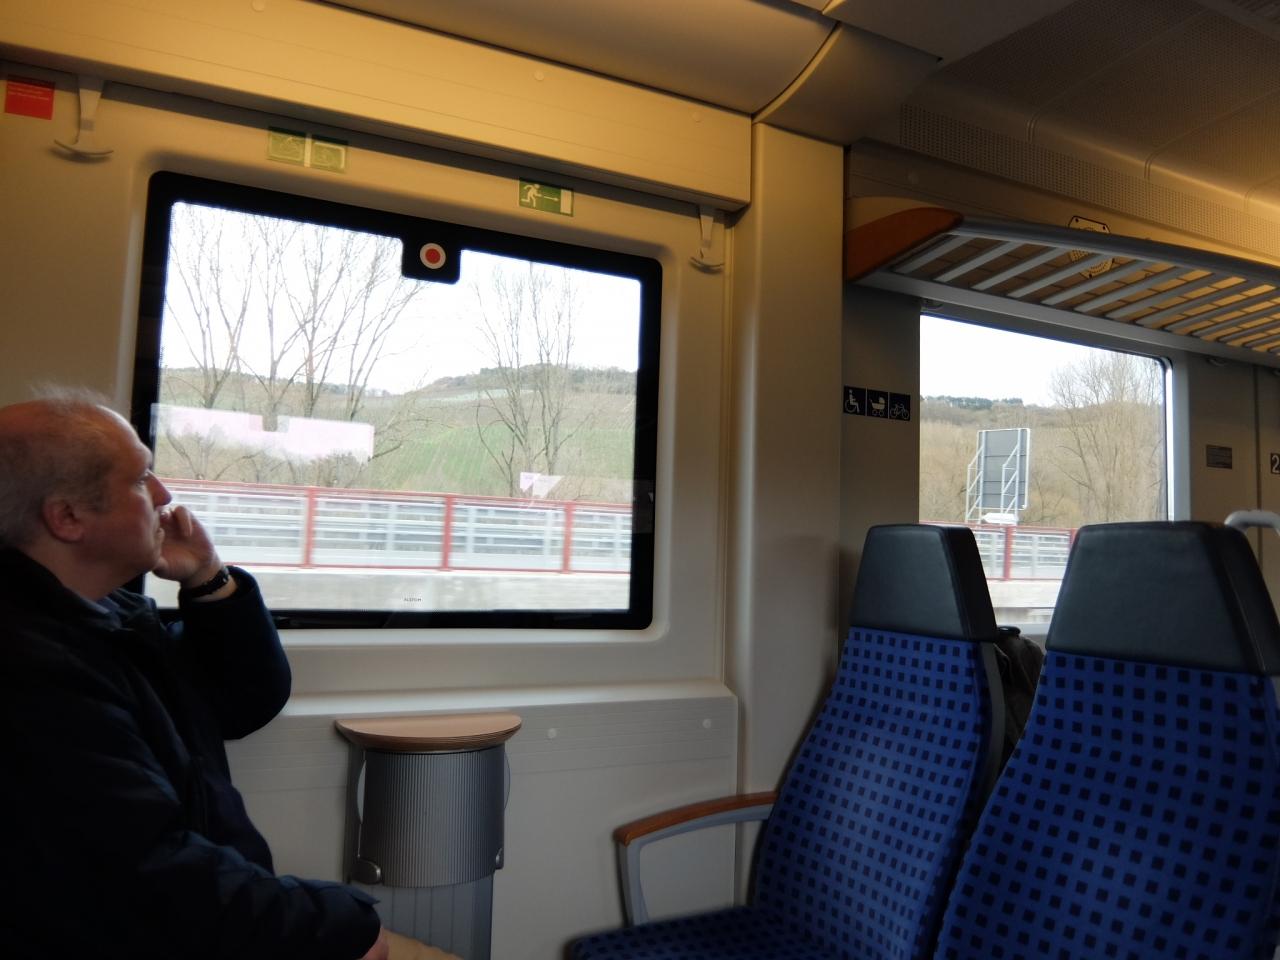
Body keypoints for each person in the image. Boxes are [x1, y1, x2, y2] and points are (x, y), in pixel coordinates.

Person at [0, 393, 455, 960]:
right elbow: (150, 878)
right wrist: (342, 921)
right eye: (140, 479)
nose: (163, 495)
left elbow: (242, 702)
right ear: (68, 517)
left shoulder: (109, 614)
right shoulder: (32, 671)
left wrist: (207, 576)